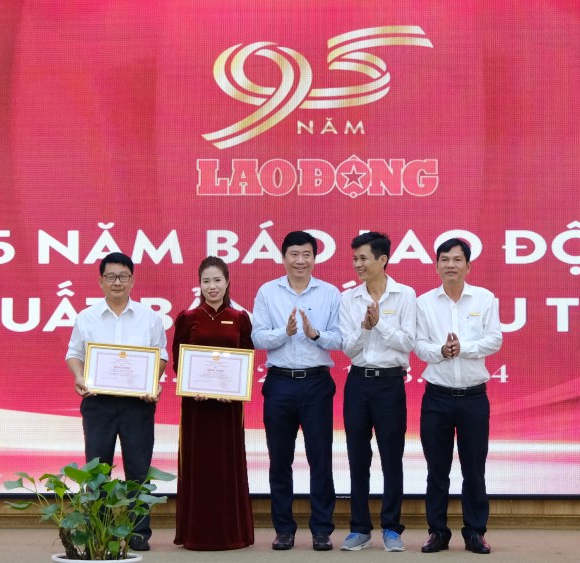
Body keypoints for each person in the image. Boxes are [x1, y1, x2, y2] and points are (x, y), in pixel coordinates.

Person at [65, 252, 167, 552]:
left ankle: (138, 532)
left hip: (138, 403)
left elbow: (160, 356)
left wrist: (153, 382)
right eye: (111, 277)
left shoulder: (149, 317)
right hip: (99, 403)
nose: (117, 282)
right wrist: (78, 376)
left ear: (132, 280)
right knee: (98, 469)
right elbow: (74, 354)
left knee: (139, 468)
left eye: (123, 276)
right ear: (101, 281)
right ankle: (100, 530)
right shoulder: (86, 317)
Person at [251, 230, 342, 552]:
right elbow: (257, 338)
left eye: (306, 255)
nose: (300, 261)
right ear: (284, 257)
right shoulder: (267, 292)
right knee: (280, 460)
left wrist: (315, 335)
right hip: (279, 383)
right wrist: (283, 333)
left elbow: (341, 339)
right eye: (294, 254)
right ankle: (284, 530)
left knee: (320, 459)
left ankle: (321, 530)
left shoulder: (330, 293)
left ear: (315, 258)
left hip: (317, 383)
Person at [414, 238, 502, 555]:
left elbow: (495, 340)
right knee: (437, 469)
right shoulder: (424, 303)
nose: (450, 264)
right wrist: (440, 351)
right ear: (436, 265)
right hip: (436, 397)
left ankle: (475, 532)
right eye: (444, 259)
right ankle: (437, 532)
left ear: (468, 265)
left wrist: (463, 348)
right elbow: (418, 344)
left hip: (474, 399)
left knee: (474, 468)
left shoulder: (485, 298)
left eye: (457, 259)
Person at [337, 232, 416, 552]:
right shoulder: (349, 298)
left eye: (363, 258)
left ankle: (392, 528)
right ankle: (359, 528)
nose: (357, 264)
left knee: (391, 457)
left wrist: (380, 324)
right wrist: (365, 328)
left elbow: (408, 344)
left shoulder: (405, 295)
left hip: (390, 383)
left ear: (382, 260)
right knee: (358, 456)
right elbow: (347, 348)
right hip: (358, 382)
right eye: (355, 259)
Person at [171, 256, 255, 550]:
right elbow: (179, 361)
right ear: (199, 284)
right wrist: (191, 385)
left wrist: (233, 388)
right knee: (199, 465)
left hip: (228, 408)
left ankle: (233, 533)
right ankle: (195, 533)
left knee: (226, 464)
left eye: (217, 280)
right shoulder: (188, 317)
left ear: (228, 281)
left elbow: (247, 357)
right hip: (196, 407)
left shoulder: (240, 317)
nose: (212, 286)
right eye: (206, 281)